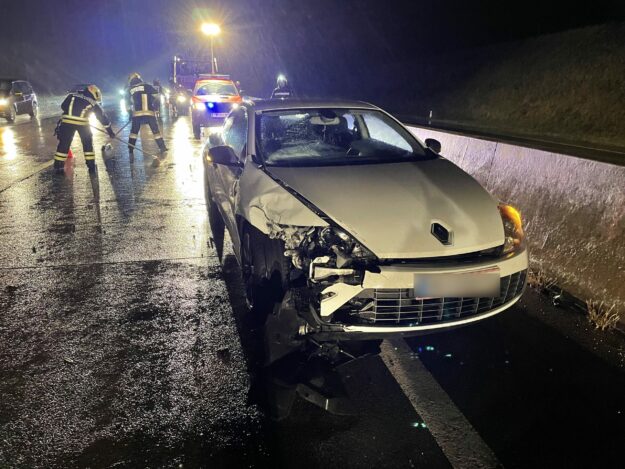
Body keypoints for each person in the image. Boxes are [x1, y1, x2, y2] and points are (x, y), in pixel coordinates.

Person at [53, 84, 115, 174]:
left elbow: (63, 106)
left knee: (64, 144)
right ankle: (91, 166)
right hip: (83, 124)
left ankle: (58, 166)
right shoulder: (92, 102)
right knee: (87, 144)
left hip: (66, 123)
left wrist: (71, 113)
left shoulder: (72, 95)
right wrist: (110, 132)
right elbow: (102, 118)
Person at [127, 73, 167, 160]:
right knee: (156, 132)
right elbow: (157, 96)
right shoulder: (147, 86)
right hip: (149, 113)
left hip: (137, 115)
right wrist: (154, 106)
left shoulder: (130, 89)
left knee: (133, 133)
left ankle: (130, 150)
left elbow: (128, 104)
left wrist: (130, 115)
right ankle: (162, 147)